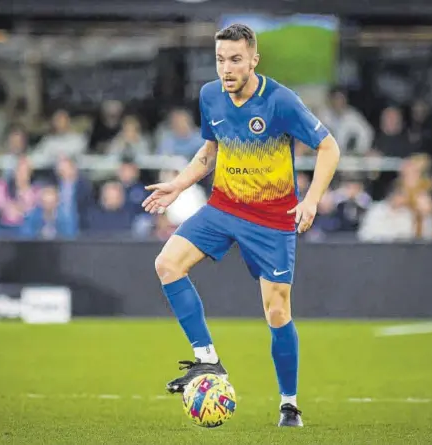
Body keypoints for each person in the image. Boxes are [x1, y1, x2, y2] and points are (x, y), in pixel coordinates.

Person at [142, 24, 340, 427]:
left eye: (235, 59)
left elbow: (328, 146)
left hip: (272, 219)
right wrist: (178, 186)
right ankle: (208, 361)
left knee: (277, 310)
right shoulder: (210, 96)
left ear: (254, 60)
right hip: (224, 206)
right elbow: (210, 151)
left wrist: (312, 200)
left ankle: (289, 403)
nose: (226, 68)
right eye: (220, 60)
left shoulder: (280, 101)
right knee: (167, 265)